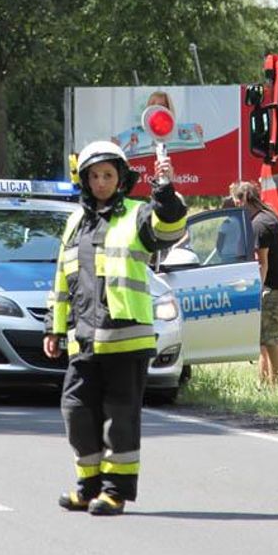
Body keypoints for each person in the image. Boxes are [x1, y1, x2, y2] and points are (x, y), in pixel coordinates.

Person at [43, 140, 186, 516]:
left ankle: (115, 491)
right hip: (83, 341)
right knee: (76, 411)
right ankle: (88, 487)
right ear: (85, 181)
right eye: (94, 176)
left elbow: (170, 228)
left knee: (120, 418)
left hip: (127, 340)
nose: (101, 182)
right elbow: (61, 279)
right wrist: (53, 329)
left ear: (121, 179)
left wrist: (166, 191)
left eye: (108, 175)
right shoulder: (75, 223)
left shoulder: (139, 215)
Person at [229, 181, 278, 386]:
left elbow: (262, 264)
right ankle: (264, 384)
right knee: (263, 341)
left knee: (272, 342)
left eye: (237, 200)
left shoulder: (259, 225)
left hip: (272, 290)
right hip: (277, 286)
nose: (236, 205)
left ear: (245, 198)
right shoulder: (269, 217)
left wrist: (255, 292)